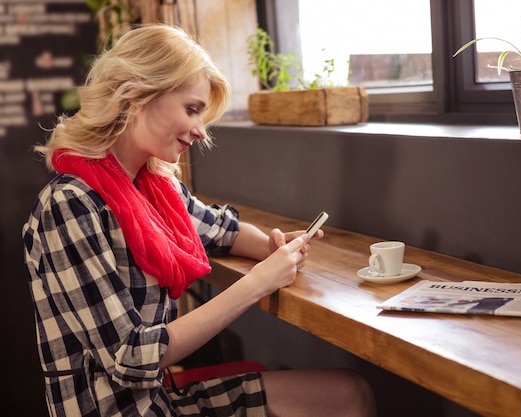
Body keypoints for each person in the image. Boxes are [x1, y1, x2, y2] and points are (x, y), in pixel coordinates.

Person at [22, 24, 376, 417]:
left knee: (350, 392)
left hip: (158, 401)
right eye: (191, 109)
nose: (200, 130)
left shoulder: (153, 186)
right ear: (137, 95)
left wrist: (271, 246)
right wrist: (259, 283)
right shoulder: (68, 205)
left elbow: (223, 229)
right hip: (118, 410)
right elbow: (132, 356)